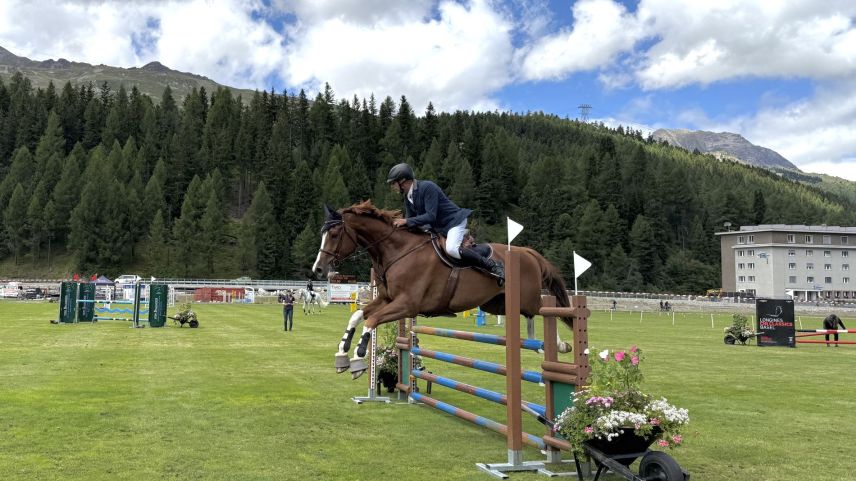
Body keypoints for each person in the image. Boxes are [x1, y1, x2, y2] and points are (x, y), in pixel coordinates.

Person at [386, 163, 504, 285]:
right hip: (439, 227)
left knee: (452, 249)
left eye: (393, 183)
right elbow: (412, 219)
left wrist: (406, 221)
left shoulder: (427, 187)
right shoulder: (408, 197)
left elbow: (430, 216)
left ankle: (493, 266)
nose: (392, 187)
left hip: (453, 222)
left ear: (402, 181)